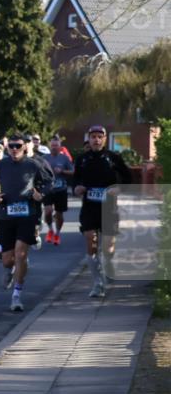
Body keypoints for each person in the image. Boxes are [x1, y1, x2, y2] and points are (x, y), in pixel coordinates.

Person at [0, 134, 53, 312]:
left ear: (25, 147)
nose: (15, 149)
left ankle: (16, 295)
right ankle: (9, 269)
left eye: (18, 146)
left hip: (27, 215)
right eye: (12, 146)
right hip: (6, 216)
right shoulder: (2, 165)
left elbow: (49, 181)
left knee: (21, 254)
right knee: (8, 259)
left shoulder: (33, 164)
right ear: (8, 148)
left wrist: (41, 194)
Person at [72, 125, 132, 298]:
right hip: (89, 207)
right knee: (91, 243)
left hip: (109, 208)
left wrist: (118, 189)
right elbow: (75, 179)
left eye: (100, 136)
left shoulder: (113, 158)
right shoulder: (82, 159)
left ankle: (110, 262)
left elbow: (128, 179)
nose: (96, 140)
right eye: (93, 137)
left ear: (105, 139)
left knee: (107, 248)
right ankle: (98, 283)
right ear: (89, 139)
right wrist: (77, 187)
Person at [42, 136, 74, 245]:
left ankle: (57, 234)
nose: (54, 148)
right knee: (48, 211)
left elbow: (73, 171)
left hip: (61, 190)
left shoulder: (64, 158)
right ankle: (50, 230)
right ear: (49, 146)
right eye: (52, 146)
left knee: (59, 215)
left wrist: (62, 171)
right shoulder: (44, 158)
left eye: (56, 146)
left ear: (60, 147)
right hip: (48, 189)